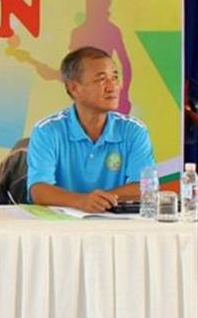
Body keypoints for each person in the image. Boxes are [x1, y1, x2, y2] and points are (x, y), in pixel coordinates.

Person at [27, 46, 154, 213]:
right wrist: (81, 201)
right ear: (74, 88)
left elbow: (144, 187)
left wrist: (98, 201)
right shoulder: (47, 131)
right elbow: (38, 190)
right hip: (61, 224)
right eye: (101, 79)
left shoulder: (134, 131)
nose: (112, 87)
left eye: (115, 78)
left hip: (115, 223)